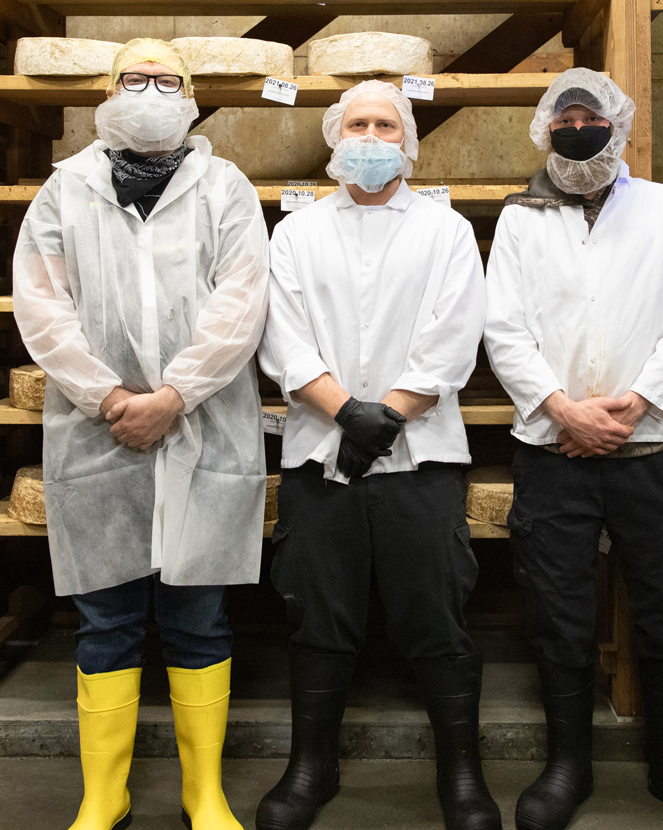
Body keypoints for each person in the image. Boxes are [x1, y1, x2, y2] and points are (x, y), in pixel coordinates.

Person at [483, 68, 663, 830]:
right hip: (553, 451)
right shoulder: (521, 219)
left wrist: (631, 408)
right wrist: (565, 412)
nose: (579, 129)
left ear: (620, 126)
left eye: (592, 117)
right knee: (558, 617)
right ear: (546, 131)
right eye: (565, 120)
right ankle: (566, 767)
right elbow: (503, 328)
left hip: (649, 452)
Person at [11, 38, 269, 830]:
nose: (150, 89)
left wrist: (175, 393)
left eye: (166, 78)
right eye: (135, 77)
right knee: (107, 619)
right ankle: (104, 794)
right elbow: (41, 305)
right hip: (101, 432)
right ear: (109, 91)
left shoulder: (225, 187)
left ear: (191, 95)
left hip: (204, 425)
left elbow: (242, 298)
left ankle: (205, 793)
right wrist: (108, 396)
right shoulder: (67, 188)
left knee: (198, 618)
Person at [255, 80, 496, 830]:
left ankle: (462, 775)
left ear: (409, 141)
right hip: (316, 455)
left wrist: (385, 417)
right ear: (334, 137)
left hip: (422, 457)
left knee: (434, 612)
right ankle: (310, 769)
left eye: (384, 124)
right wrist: (346, 413)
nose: (368, 134)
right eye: (355, 122)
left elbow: (452, 338)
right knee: (317, 613)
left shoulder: (444, 231)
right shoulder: (297, 232)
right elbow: (281, 337)